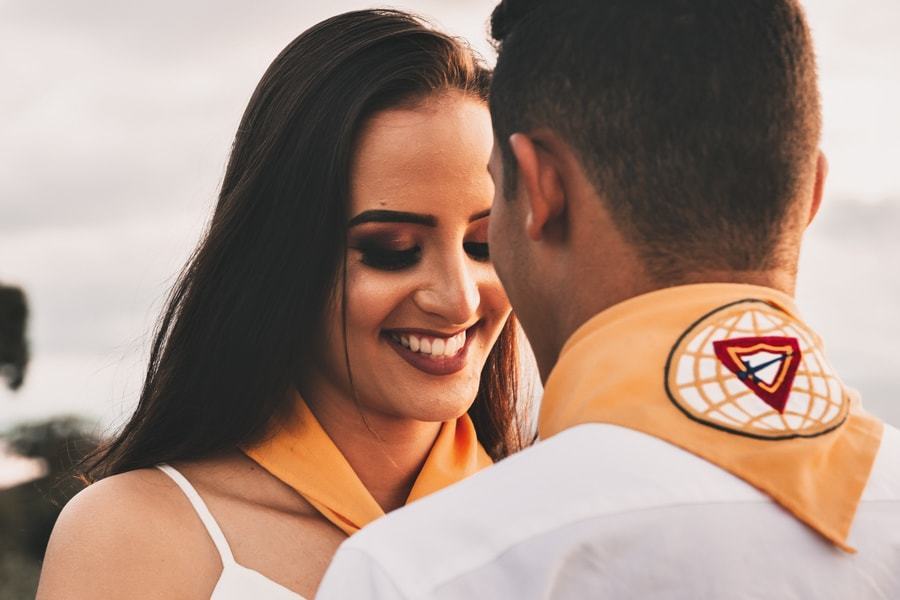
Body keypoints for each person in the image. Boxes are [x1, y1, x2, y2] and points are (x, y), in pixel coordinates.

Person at [316, 1, 900, 597]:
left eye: (488, 231)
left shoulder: (422, 572)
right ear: (811, 196)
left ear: (543, 188)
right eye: (392, 249)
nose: (459, 298)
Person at [36, 9, 528, 599]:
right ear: (281, 259)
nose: (458, 299)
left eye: (484, 244)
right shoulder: (138, 534)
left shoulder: (563, 525)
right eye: (391, 250)